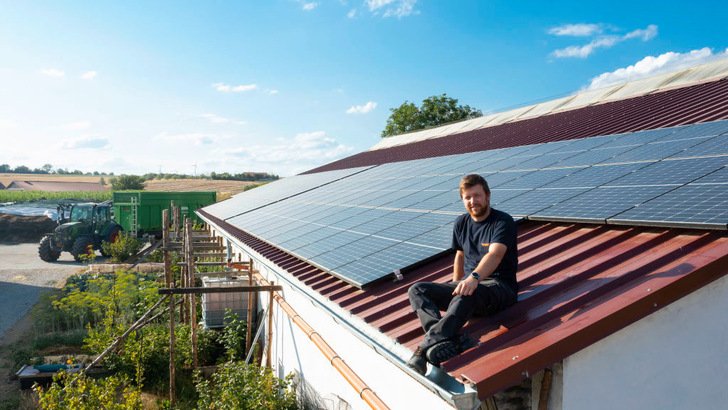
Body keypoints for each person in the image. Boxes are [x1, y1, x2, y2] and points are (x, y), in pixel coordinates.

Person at [406, 174, 519, 375]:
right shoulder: (461, 223)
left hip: (500, 287)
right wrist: (456, 284)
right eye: (467, 197)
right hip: (470, 287)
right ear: (462, 200)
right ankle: (444, 340)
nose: (472, 201)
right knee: (417, 289)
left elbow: (495, 254)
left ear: (488, 196)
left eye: (477, 196)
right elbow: (460, 255)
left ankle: (423, 350)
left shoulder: (502, 221)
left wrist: (473, 278)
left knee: (467, 292)